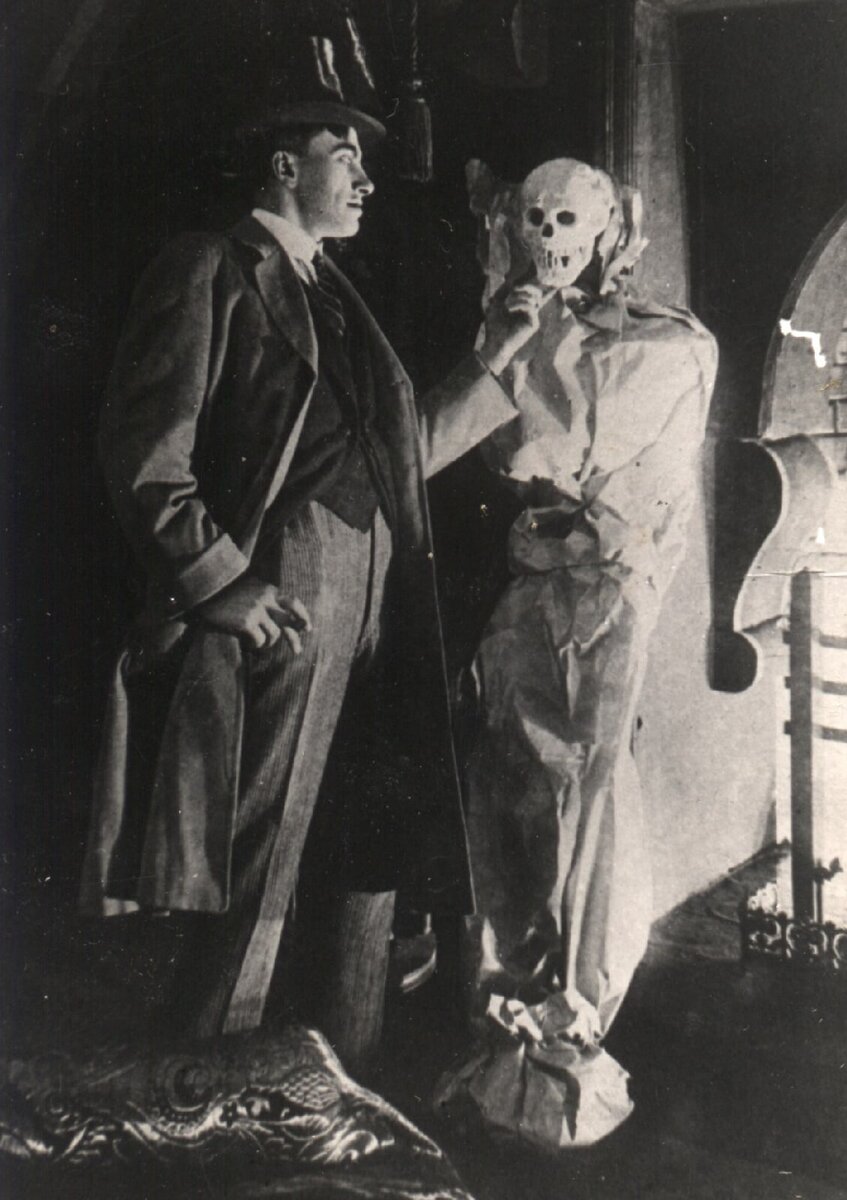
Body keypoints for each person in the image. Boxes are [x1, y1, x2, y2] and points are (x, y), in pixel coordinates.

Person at [79, 39, 541, 1071]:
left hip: (376, 592)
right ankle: (209, 1089)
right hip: (287, 587)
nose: (366, 180)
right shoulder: (210, 267)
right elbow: (144, 453)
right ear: (286, 166)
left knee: (360, 846)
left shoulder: (333, 288)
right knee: (260, 857)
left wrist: (492, 359)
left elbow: (396, 455)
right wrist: (221, 583)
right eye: (347, 157)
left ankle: (332, 1085)